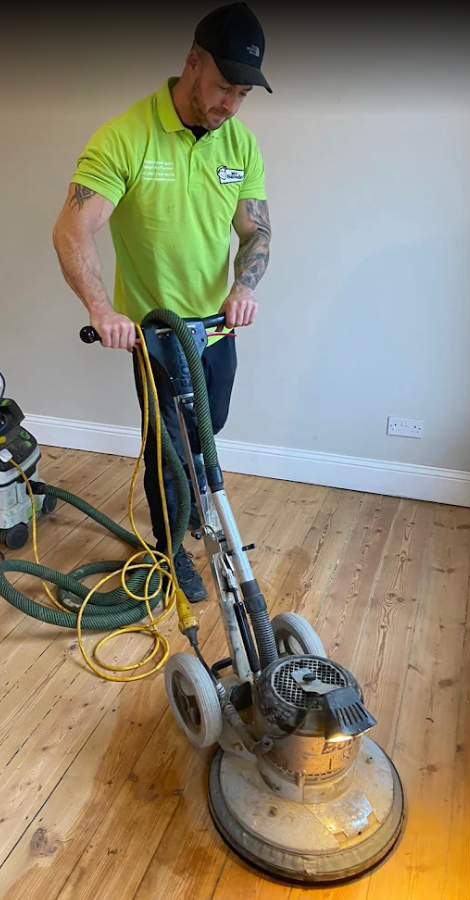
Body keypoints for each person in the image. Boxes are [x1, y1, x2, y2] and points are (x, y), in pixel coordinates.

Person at [52, 3, 272, 602]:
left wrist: (244, 287)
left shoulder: (241, 145)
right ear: (192, 63)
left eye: (243, 93)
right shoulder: (126, 136)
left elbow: (256, 232)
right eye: (223, 86)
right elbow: (73, 229)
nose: (230, 104)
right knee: (167, 444)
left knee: (208, 428)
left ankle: (193, 501)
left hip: (214, 327)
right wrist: (103, 310)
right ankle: (172, 550)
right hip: (153, 330)